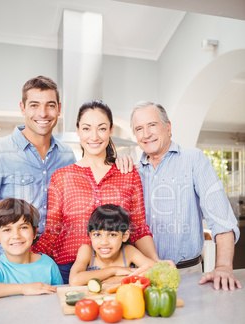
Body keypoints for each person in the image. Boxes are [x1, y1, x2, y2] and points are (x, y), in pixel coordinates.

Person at [32, 100, 165, 284]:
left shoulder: (128, 174)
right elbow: (52, 231)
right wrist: (25, 260)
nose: (94, 136)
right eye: (86, 128)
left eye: (101, 128)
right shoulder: (61, 177)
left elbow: (138, 228)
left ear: (111, 131)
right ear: (78, 130)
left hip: (119, 272)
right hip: (69, 271)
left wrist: (156, 262)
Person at [117, 101, 241, 291]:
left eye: (152, 125)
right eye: (139, 128)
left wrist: (223, 267)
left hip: (186, 275)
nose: (146, 134)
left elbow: (221, 219)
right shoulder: (132, 171)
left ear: (168, 127)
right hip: (141, 275)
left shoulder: (194, 159)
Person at [0, 76, 76, 272]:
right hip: (13, 266)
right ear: (22, 108)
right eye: (34, 105)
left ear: (59, 108)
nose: (43, 113)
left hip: (60, 264)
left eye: (50, 105)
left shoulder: (67, 155)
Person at [0, 198, 63, 300]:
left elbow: (59, 298)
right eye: (7, 229)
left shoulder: (48, 264)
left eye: (23, 227)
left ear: (35, 232)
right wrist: (24, 288)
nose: (16, 235)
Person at [69, 204, 156, 286]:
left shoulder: (128, 251)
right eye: (97, 234)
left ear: (124, 236)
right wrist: (114, 270)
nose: (104, 242)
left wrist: (121, 279)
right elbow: (74, 281)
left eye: (112, 235)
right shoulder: (86, 251)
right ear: (90, 235)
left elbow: (157, 272)